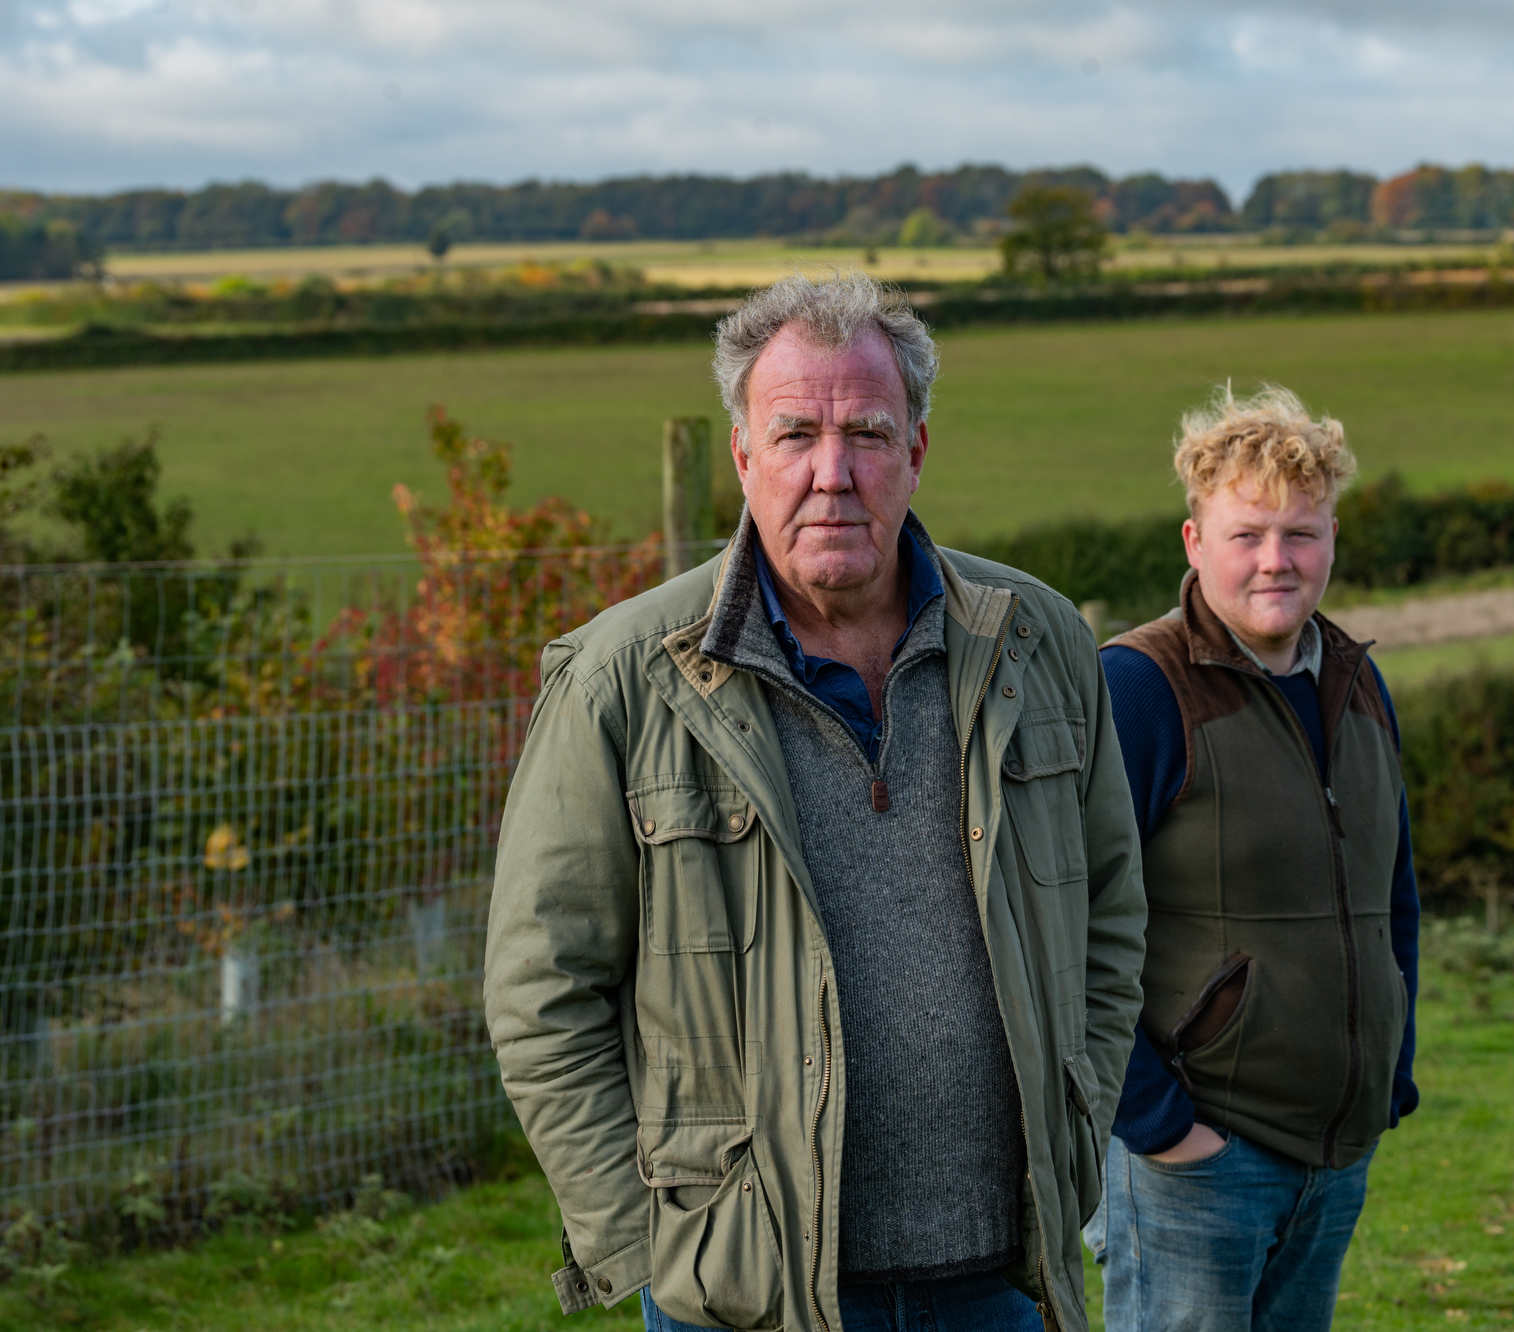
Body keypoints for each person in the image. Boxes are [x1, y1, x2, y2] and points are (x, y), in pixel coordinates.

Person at [483, 272, 1146, 1332]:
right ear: (743, 455)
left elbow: (1110, 917)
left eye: (867, 434)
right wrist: (655, 1248)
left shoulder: (1039, 641)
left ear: (916, 451)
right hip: (745, 1298)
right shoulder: (623, 681)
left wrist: (1072, 1131)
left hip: (997, 1281)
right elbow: (540, 990)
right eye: (794, 434)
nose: (831, 474)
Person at [1093, 384, 1420, 1331]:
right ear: (1195, 542)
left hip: (1334, 1157)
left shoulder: (1357, 682)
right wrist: (1157, 1124)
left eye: (1300, 534)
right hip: (1195, 1164)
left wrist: (1390, 1071)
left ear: (1332, 540)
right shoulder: (1139, 687)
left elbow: (1394, 896)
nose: (1276, 560)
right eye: (1247, 535)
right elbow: (1065, 923)